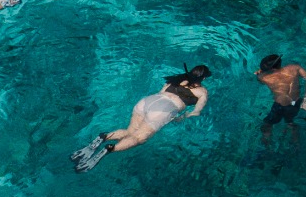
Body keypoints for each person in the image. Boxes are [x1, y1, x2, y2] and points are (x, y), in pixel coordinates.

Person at [73, 66, 210, 170]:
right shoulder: (202, 92)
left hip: (147, 102)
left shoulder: (176, 79)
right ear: (203, 78)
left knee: (130, 131)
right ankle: (110, 149)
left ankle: (104, 137)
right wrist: (181, 118)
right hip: (164, 109)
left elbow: (161, 92)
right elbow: (195, 112)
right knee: (139, 138)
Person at [253, 53, 306, 155]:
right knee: (290, 122)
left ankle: (267, 147)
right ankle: (296, 146)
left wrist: (259, 72)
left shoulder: (264, 77)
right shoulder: (294, 68)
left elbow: (258, 79)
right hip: (295, 104)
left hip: (279, 106)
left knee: (267, 124)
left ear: (272, 70)